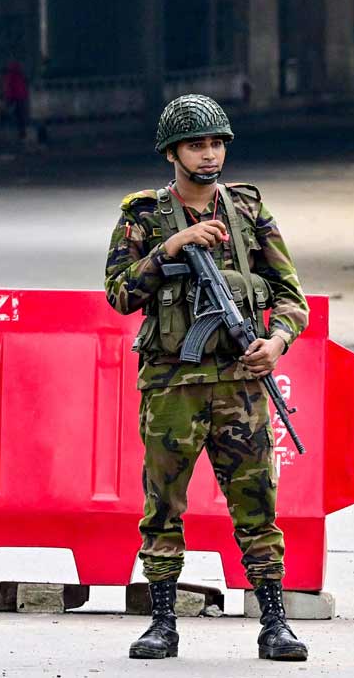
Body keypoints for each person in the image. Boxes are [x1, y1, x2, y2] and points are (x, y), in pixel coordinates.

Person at [104, 94, 310, 662]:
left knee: (257, 502)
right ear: (172, 152)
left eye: (217, 143)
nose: (210, 154)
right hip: (172, 386)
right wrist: (170, 247)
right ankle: (162, 622)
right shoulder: (143, 214)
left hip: (241, 384)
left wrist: (278, 341)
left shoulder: (247, 210)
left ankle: (274, 622)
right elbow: (120, 294)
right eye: (197, 144)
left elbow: (292, 295)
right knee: (164, 504)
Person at [1, 60, 30, 141]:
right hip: (21, 98)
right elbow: (24, 86)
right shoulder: (20, 75)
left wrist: (7, 99)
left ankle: (16, 134)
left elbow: (8, 88)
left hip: (14, 99)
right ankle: (22, 133)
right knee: (21, 117)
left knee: (13, 117)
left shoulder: (10, 76)